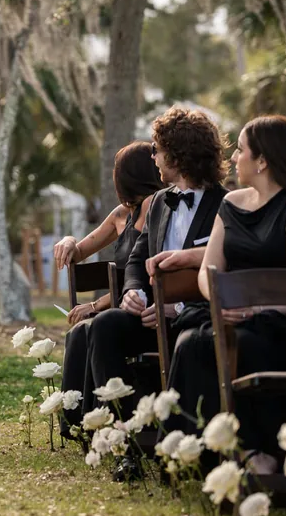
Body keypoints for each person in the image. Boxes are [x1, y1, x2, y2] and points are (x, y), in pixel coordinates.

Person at [166, 116, 286, 472]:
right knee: (191, 339)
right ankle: (197, 452)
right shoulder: (230, 204)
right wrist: (218, 301)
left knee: (215, 344)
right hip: (229, 316)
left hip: (285, 326)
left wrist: (254, 308)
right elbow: (209, 270)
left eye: (242, 150)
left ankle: (252, 452)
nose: (234, 158)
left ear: (263, 160)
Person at [86, 107, 228, 471]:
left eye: (158, 149)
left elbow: (224, 273)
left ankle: (180, 445)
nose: (154, 156)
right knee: (105, 326)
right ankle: (129, 436)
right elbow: (136, 260)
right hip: (149, 316)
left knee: (189, 341)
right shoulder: (160, 203)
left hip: (196, 317)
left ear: (178, 155)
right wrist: (135, 293)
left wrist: (176, 308)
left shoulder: (225, 206)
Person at [55, 141, 164, 412]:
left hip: (144, 305)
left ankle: (105, 416)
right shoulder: (122, 214)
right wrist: (69, 240)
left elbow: (138, 278)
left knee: (88, 328)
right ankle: (77, 420)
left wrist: (93, 306)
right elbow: (79, 251)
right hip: (121, 304)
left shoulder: (156, 206)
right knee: (79, 333)